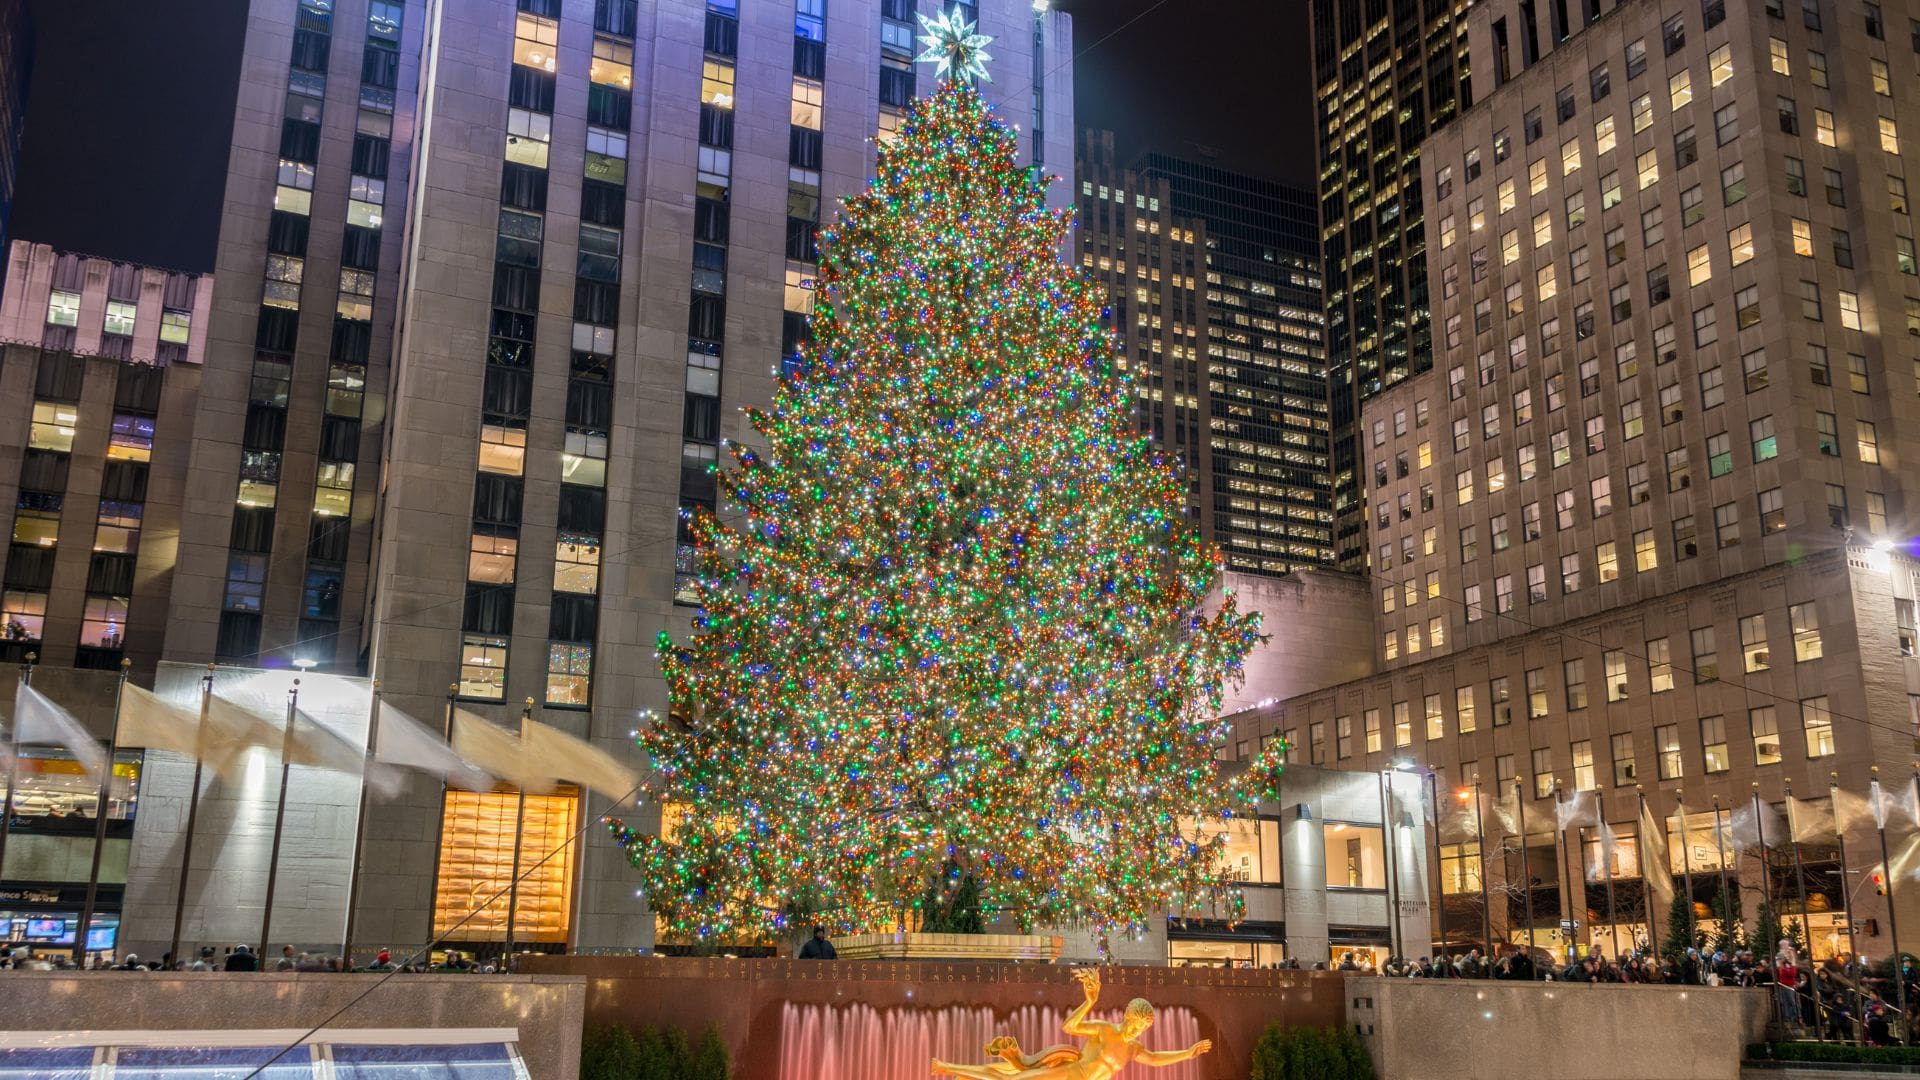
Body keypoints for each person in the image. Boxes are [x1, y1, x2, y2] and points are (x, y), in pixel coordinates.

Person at [930, 968, 1210, 1079]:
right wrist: (1089, 1002)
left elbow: (1156, 1058)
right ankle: (946, 1067)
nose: (1137, 1030)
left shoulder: (1133, 1049)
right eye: (1135, 1023)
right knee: (1011, 1078)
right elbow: (1069, 1027)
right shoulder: (1104, 1029)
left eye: (1142, 1028)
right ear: (1126, 1016)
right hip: (1069, 1074)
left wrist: (1188, 1052)